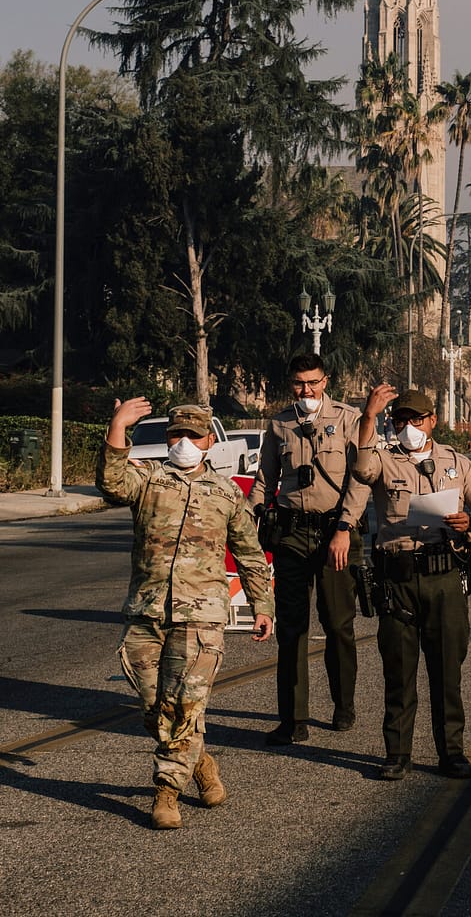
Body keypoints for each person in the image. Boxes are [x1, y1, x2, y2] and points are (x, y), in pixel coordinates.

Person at [97, 398, 274, 831]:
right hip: (147, 611)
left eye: (194, 435)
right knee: (152, 705)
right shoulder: (149, 480)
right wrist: (119, 425)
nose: (185, 442)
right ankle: (200, 763)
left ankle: (166, 792)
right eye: (177, 434)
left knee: (186, 704)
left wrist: (261, 606)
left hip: (202, 616)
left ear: (210, 441)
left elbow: (249, 556)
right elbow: (112, 483)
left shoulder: (228, 493)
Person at [354, 385, 471, 781]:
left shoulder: (457, 463)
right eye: (400, 420)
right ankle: (397, 753)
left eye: (416, 420)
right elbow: (361, 470)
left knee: (446, 672)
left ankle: (451, 752)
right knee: (399, 673)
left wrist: (470, 522)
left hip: (444, 576)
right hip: (398, 579)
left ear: (432, 421)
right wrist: (369, 417)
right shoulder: (384, 461)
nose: (408, 427)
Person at [248, 353, 370, 746]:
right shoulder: (280, 423)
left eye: (313, 382)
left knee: (337, 623)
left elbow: (361, 480)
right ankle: (293, 718)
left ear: (326, 381)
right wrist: (251, 518)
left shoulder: (349, 419)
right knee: (292, 628)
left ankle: (343, 705)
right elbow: (265, 476)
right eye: (299, 384)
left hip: (336, 531)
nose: (306, 390)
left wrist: (345, 528)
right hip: (292, 533)